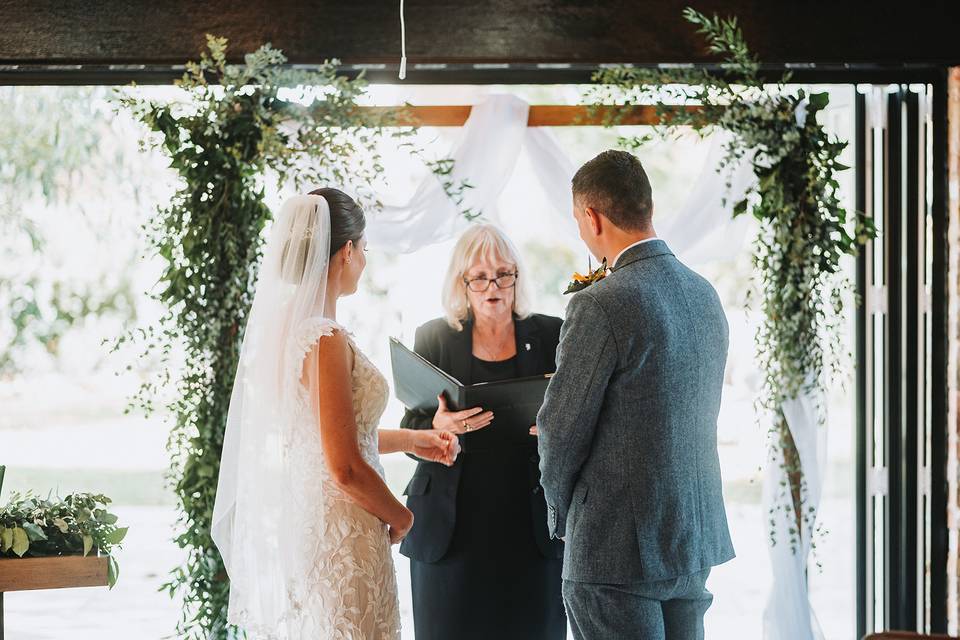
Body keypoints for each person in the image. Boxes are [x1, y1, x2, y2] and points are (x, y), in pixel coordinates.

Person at [211, 189, 460, 639]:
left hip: (312, 524)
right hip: (347, 526)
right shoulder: (325, 339)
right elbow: (344, 466)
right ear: (347, 250)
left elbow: (327, 432)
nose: (364, 261)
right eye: (364, 249)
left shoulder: (287, 332)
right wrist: (401, 517)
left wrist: (411, 440)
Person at [537, 150, 735, 640]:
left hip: (613, 548)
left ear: (592, 216)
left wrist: (562, 513)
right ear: (645, 205)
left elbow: (561, 432)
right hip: (690, 537)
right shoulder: (703, 293)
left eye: (579, 222)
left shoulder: (600, 303)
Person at [399, 224, 567, 640]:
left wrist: (558, 434)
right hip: (452, 530)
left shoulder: (552, 333)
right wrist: (436, 426)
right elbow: (410, 428)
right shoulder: (434, 337)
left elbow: (579, 416)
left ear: (517, 278)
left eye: (503, 274)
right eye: (479, 276)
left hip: (530, 525)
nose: (492, 285)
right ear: (462, 282)